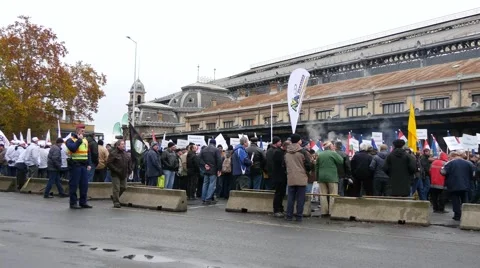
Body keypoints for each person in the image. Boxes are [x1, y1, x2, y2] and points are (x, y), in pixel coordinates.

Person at [441, 151, 475, 221]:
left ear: (453, 156)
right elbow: (473, 174)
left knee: (455, 200)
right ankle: (466, 214)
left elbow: (443, 172)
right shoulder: (468, 163)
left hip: (453, 185)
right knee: (464, 200)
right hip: (465, 185)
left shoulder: (450, 163)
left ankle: (457, 215)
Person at [284, 134, 312, 222]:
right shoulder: (302, 151)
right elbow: (309, 165)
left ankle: (289, 216)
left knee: (290, 198)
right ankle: (299, 216)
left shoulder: (286, 152)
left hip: (291, 177)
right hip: (301, 177)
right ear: (299, 141)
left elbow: (283, 165)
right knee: (300, 199)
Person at [66, 124, 93, 209]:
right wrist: (79, 140)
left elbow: (87, 152)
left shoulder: (85, 140)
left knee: (84, 185)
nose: (83, 132)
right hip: (75, 165)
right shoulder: (70, 140)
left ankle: (83, 202)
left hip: (83, 165)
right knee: (74, 185)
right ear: (77, 130)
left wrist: (89, 163)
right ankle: (73, 203)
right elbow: (73, 148)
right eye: (82, 131)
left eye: (84, 131)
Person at [316, 141, 343, 217]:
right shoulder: (333, 153)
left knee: (323, 195)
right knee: (333, 194)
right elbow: (341, 161)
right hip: (332, 177)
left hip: (321, 177)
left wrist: (317, 177)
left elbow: (316, 167)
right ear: (330, 146)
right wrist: (334, 152)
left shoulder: (320, 154)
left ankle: (324, 212)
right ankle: (331, 211)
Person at [107, 140, 132, 208]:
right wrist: (116, 170)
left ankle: (115, 196)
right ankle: (116, 202)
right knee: (116, 188)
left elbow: (128, 162)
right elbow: (109, 163)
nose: (123, 145)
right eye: (122, 144)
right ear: (118, 145)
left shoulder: (125, 153)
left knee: (124, 187)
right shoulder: (113, 153)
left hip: (124, 173)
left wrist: (129, 170)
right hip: (116, 173)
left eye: (124, 144)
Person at [199, 139, 222, 204]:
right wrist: (219, 170)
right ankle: (208, 198)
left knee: (205, 184)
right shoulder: (216, 150)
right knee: (212, 184)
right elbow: (219, 160)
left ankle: (203, 198)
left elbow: (199, 158)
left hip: (206, 169)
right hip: (213, 170)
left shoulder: (203, 150)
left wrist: (204, 164)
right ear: (215, 143)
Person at [272, 140, 289, 217]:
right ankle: (276, 210)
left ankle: (280, 208)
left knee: (282, 193)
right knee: (278, 193)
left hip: (282, 176)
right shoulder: (278, 153)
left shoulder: (281, 152)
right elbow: (280, 164)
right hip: (279, 176)